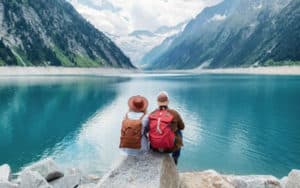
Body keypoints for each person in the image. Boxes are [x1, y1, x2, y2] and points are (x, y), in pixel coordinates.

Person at [148, 91, 185, 165]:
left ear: (157, 102)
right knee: (179, 132)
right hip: (169, 148)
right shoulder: (174, 113)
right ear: (168, 101)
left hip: (154, 147)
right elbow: (182, 127)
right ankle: (175, 158)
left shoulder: (152, 114)